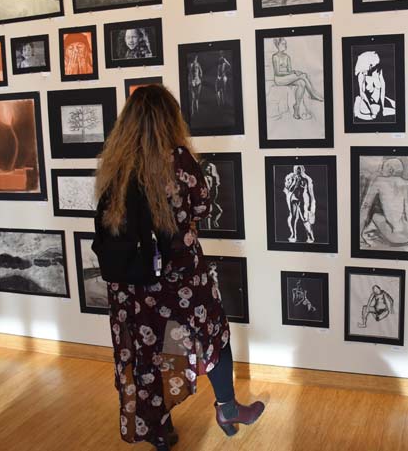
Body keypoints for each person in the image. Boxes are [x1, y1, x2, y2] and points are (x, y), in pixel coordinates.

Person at [94, 85, 264, 451]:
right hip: (179, 276)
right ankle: (228, 409)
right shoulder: (178, 160)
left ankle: (160, 430)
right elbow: (201, 208)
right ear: (169, 119)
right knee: (214, 335)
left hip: (131, 283)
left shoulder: (115, 164)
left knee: (147, 354)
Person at [359, 158, 408, 247]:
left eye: (383, 168)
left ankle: (359, 235)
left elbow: (366, 206)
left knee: (373, 211)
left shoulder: (379, 181)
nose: (381, 170)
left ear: (390, 169)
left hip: (397, 237)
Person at [271, 37, 324, 120]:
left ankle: (296, 107)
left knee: (302, 83)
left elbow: (289, 70)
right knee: (302, 75)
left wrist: (294, 72)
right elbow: (278, 72)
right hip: (279, 79)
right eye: (283, 44)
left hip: (287, 78)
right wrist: (295, 72)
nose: (285, 45)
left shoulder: (287, 57)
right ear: (277, 45)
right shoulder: (275, 57)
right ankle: (312, 94)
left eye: (285, 44)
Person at [353, 51, 396, 121]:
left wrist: (382, 107)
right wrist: (372, 110)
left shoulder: (378, 71)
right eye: (373, 65)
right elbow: (362, 94)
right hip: (367, 105)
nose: (375, 67)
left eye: (376, 65)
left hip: (379, 104)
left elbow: (383, 89)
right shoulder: (361, 75)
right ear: (369, 65)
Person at [283, 165, 316, 243]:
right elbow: (287, 189)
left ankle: (310, 236)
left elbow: (309, 192)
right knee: (293, 217)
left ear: (302, 170)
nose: (298, 171)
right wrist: (292, 182)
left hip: (302, 200)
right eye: (296, 170)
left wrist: (312, 205)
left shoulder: (306, 179)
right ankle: (293, 235)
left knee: (304, 218)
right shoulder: (291, 178)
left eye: (299, 170)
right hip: (293, 199)